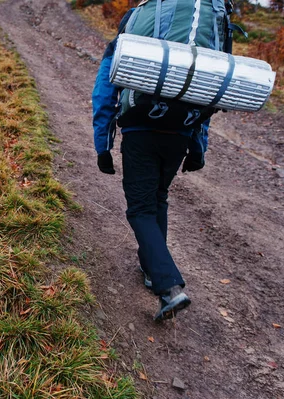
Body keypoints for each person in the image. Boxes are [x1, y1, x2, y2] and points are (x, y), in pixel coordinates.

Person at [92, 8, 210, 322]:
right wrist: (198, 148)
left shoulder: (135, 18)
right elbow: (207, 93)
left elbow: (105, 89)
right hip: (180, 130)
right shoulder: (202, 27)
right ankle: (150, 267)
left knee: (140, 208)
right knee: (157, 197)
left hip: (140, 130)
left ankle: (169, 287)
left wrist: (102, 145)